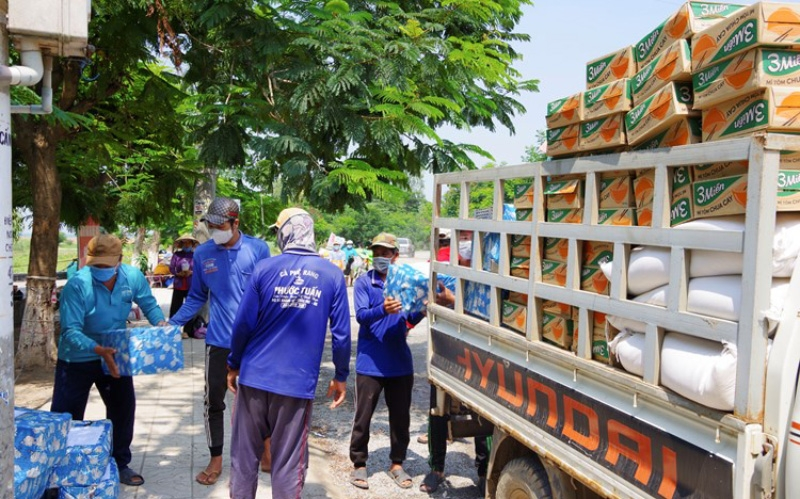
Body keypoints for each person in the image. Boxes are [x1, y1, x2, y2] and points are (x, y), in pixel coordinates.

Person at [226, 207, 351, 499]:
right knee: (288, 463)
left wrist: (233, 363)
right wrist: (341, 376)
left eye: (277, 230)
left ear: (286, 232)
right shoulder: (332, 275)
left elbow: (243, 324)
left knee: (244, 459)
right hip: (296, 385)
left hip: (254, 377)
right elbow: (342, 335)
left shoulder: (265, 268)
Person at [168, 197, 272, 486]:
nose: (214, 230)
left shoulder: (258, 249)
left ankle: (266, 451)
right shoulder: (203, 254)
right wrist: (174, 322)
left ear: (236, 222)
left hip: (255, 343)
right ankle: (215, 459)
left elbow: (269, 295)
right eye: (210, 226)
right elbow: (198, 296)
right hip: (219, 342)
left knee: (259, 401)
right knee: (213, 401)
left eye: (219, 225)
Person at [51, 234, 168, 487]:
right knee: (65, 416)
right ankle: (58, 470)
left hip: (115, 351)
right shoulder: (77, 285)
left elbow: (148, 303)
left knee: (123, 408)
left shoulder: (133, 277)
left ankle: (120, 462)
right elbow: (70, 331)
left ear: (120, 260)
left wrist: (160, 323)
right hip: (77, 358)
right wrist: (96, 349)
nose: (101, 270)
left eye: (106, 265)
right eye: (96, 265)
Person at [349, 233, 425, 491]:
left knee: (401, 416)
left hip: (400, 363)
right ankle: (359, 463)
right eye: (377, 252)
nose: (381, 257)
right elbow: (361, 316)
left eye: (386, 252)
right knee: (363, 416)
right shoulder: (363, 283)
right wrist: (384, 309)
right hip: (370, 363)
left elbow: (412, 316)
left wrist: (418, 314)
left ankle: (397, 463)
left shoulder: (405, 283)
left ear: (395, 256)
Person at [420, 229, 489, 494]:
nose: (464, 242)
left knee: (484, 413)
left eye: (468, 237)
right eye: (461, 237)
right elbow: (427, 301)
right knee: (438, 410)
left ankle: (483, 472)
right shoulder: (443, 265)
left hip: (479, 350)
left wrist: (455, 301)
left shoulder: (487, 269)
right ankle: (436, 468)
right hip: (446, 347)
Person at [168, 234, 199, 338]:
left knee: (189, 308)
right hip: (178, 285)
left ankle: (187, 331)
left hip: (191, 285)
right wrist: (178, 273)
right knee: (175, 307)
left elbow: (199, 269)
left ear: (192, 244)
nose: (186, 245)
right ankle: (173, 329)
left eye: (188, 243)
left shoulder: (195, 255)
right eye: (184, 243)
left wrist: (192, 272)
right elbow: (171, 268)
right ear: (181, 244)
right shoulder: (176, 255)